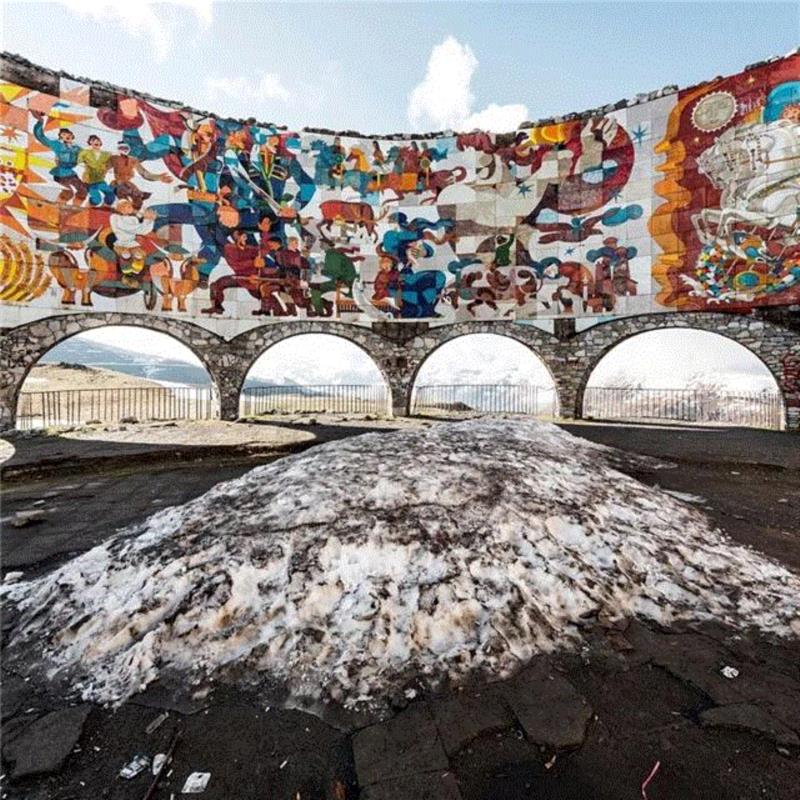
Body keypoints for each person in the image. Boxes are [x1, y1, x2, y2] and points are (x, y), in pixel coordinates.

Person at [31, 110, 87, 204]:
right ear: (61, 138)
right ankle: (57, 206)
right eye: (63, 135)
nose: (66, 136)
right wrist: (40, 122)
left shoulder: (77, 148)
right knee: (68, 193)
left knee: (83, 191)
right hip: (60, 174)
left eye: (68, 134)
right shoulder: (58, 145)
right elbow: (41, 137)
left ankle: (76, 207)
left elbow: (87, 156)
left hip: (71, 174)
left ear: (72, 136)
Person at [202, 229, 262, 315]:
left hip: (253, 279)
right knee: (216, 285)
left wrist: (260, 261)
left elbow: (261, 254)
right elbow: (235, 264)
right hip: (239, 277)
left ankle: (272, 309)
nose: (242, 238)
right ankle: (216, 307)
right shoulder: (230, 248)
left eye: (244, 236)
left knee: (261, 293)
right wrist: (252, 262)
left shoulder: (251, 249)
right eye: (238, 236)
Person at [110, 140, 172, 210]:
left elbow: (144, 174)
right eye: (122, 148)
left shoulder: (133, 160)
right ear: (118, 149)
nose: (124, 150)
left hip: (128, 185)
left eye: (126, 148)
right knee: (123, 200)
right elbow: (104, 168)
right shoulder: (114, 158)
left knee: (137, 198)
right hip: (118, 185)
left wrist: (159, 177)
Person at [109, 198, 156, 281]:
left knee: (139, 255)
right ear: (120, 209)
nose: (130, 208)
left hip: (132, 243)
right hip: (121, 243)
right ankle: (127, 272)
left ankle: (135, 272)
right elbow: (134, 229)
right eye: (126, 206)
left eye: (130, 206)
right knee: (125, 254)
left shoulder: (133, 219)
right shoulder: (115, 217)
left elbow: (141, 229)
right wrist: (147, 220)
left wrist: (149, 220)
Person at [78, 135, 115, 206]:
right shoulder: (85, 153)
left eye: (97, 140)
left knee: (110, 196)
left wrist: (108, 168)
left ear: (100, 142)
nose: (96, 141)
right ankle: (88, 207)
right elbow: (78, 160)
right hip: (89, 181)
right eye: (93, 140)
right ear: (90, 143)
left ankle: (104, 207)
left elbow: (113, 160)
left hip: (100, 179)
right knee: (97, 199)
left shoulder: (106, 154)